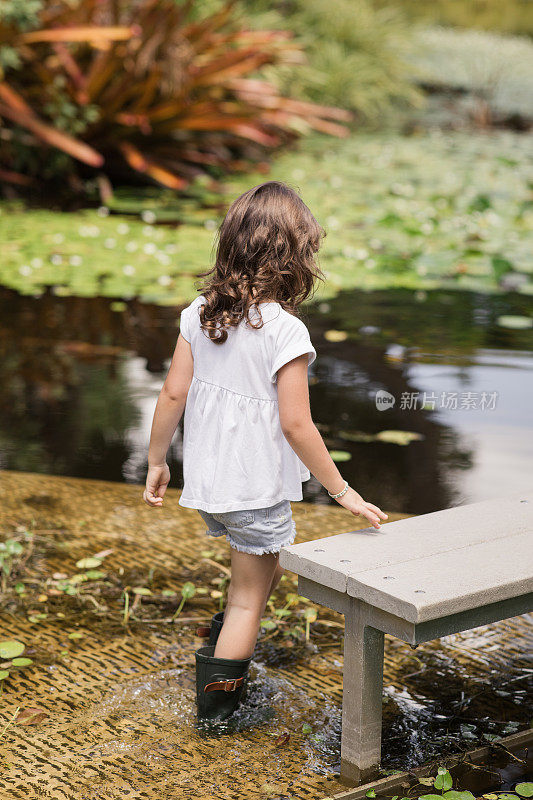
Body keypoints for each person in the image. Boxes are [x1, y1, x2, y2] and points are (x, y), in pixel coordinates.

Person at [143, 180, 388, 723]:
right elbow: (297, 423)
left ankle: (220, 643)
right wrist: (341, 492)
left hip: (209, 482)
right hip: (252, 487)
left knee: (253, 580)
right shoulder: (286, 331)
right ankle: (217, 714)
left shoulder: (200, 313)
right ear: (294, 259)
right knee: (249, 599)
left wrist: (157, 460)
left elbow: (172, 393)